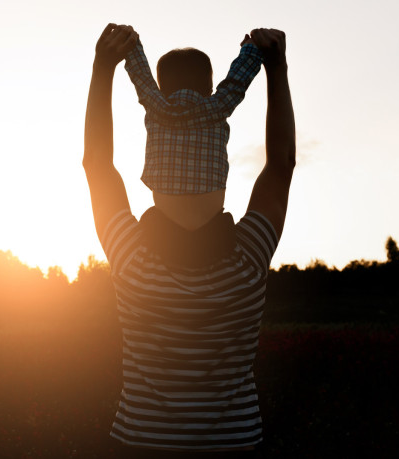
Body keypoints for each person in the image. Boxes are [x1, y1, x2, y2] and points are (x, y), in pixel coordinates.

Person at [83, 23, 295, 457]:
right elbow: (281, 167)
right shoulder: (248, 258)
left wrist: (103, 68)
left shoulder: (131, 256)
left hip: (141, 444)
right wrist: (277, 68)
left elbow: (97, 165)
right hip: (235, 445)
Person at [122, 35, 263, 231]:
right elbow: (237, 82)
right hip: (212, 225)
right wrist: (251, 49)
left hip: (164, 225)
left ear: (161, 90)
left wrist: (131, 43)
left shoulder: (156, 106)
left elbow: (141, 75)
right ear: (210, 87)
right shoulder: (218, 106)